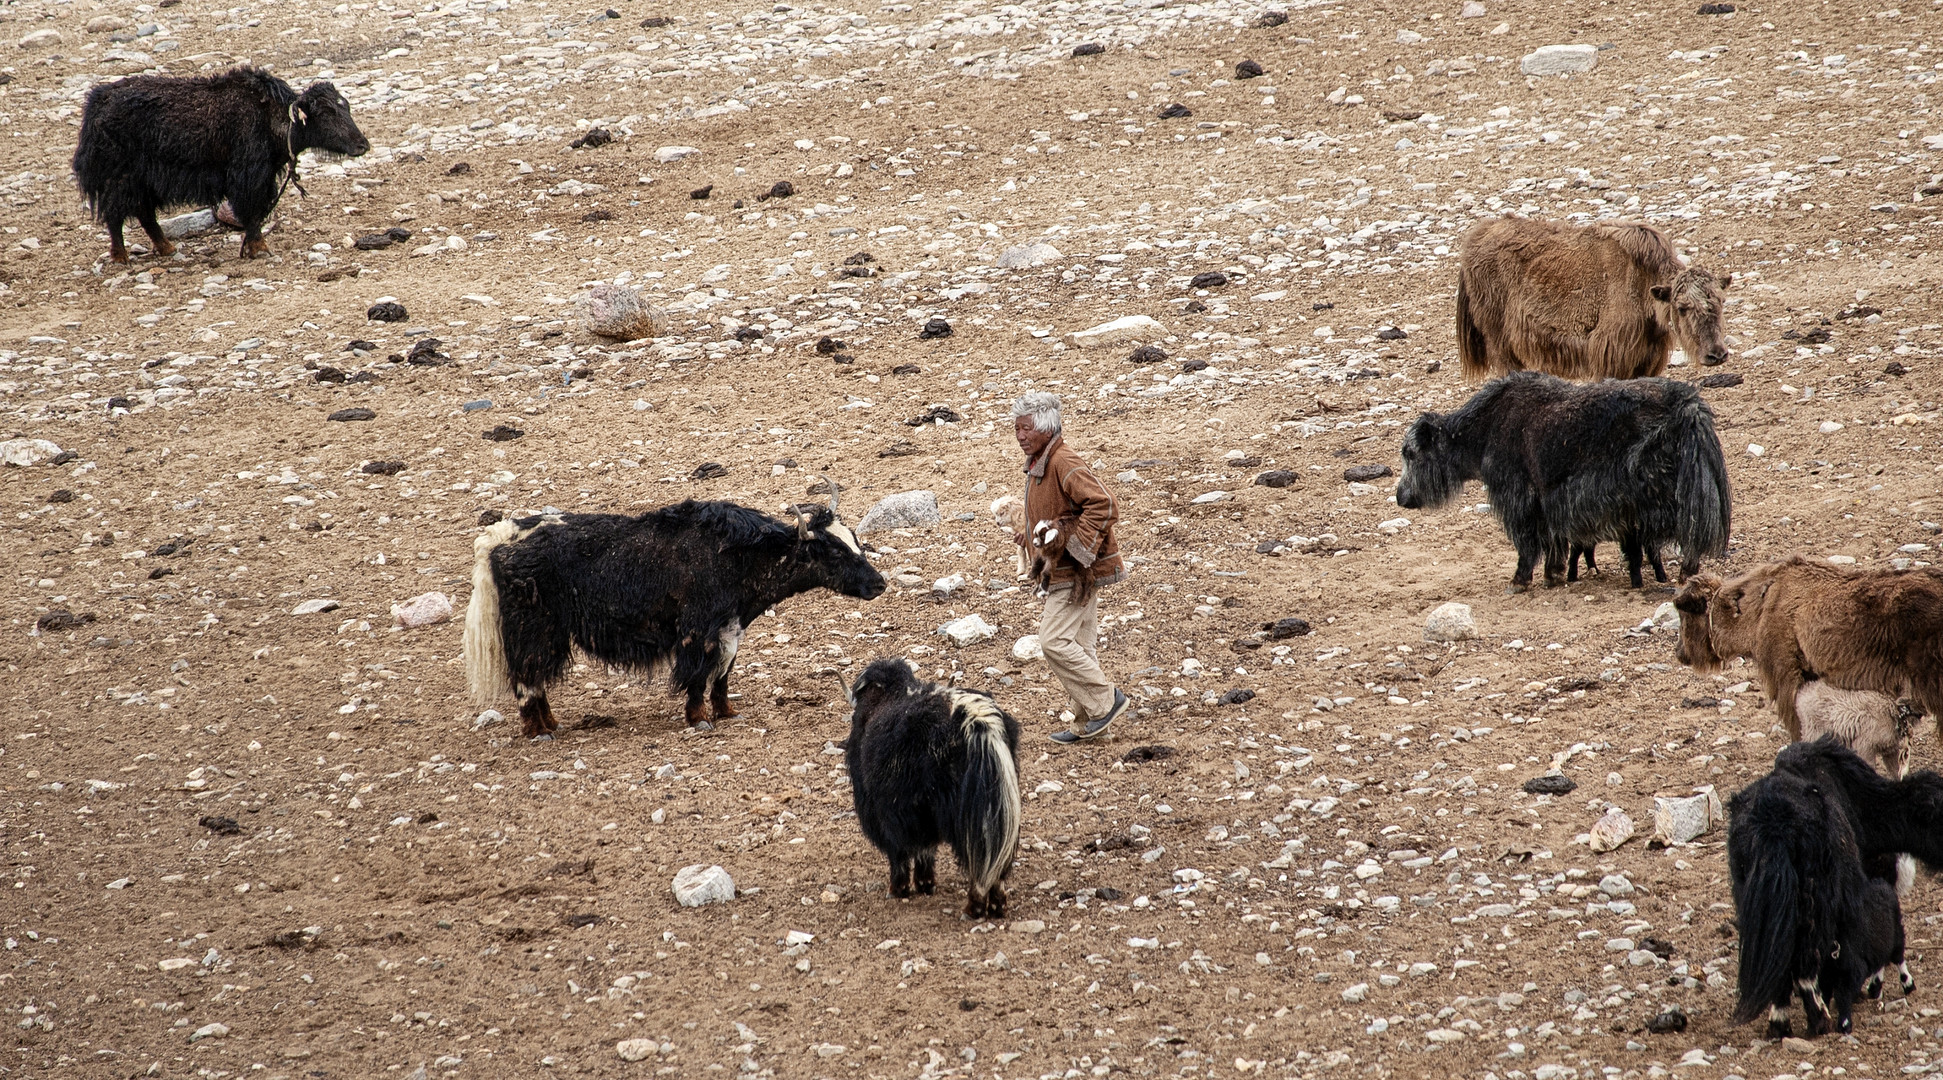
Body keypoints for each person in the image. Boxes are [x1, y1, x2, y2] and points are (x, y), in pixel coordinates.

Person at [1011, 392, 1129, 744]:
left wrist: (1078, 550)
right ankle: (1087, 723)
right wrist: (1031, 541)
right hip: (1066, 568)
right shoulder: (1041, 462)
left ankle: (1106, 702)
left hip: (1074, 572)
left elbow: (1104, 505)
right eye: (1016, 428)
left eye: (1025, 428)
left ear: (1046, 429)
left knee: (1053, 642)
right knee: (1081, 644)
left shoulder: (1063, 460)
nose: (1019, 435)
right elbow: (1061, 516)